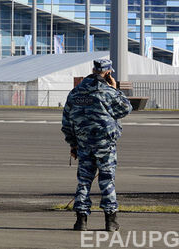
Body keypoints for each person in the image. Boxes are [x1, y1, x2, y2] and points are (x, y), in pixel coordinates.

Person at [61, 58, 133, 232]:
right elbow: (126, 108)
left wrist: (73, 145)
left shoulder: (75, 92)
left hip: (83, 144)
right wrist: (115, 89)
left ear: (93, 70)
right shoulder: (108, 92)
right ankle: (111, 221)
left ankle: (81, 221)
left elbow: (67, 122)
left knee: (84, 181)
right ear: (108, 73)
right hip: (105, 145)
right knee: (107, 181)